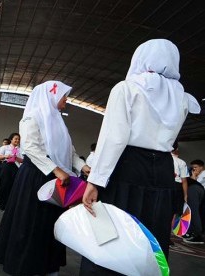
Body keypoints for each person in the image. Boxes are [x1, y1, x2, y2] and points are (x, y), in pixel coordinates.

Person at [81, 39, 201, 273]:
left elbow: (113, 138)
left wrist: (95, 180)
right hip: (164, 170)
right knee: (152, 234)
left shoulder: (127, 88)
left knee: (115, 233)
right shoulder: (183, 98)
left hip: (129, 166)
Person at [0, 80, 89, 275]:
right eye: (64, 95)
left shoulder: (59, 123)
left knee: (49, 227)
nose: (66, 100)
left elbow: (70, 152)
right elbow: (32, 149)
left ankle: (46, 267)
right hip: (35, 179)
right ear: (51, 95)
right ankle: (25, 267)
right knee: (30, 226)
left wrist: (82, 166)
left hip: (56, 180)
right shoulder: (31, 118)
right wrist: (56, 169)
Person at [0, 132, 23, 210]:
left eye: (18, 139)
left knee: (12, 186)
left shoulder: (20, 150)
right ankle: (0, 200)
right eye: (16, 139)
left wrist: (16, 158)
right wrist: (5, 156)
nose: (17, 140)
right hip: (7, 166)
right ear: (11, 139)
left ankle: (8, 203)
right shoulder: (5, 147)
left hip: (16, 168)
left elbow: (23, 161)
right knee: (4, 184)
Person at [183, 159, 205, 244]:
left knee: (193, 211)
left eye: (195, 167)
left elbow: (195, 184)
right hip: (198, 193)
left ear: (201, 167)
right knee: (194, 211)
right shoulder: (198, 175)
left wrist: (193, 177)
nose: (194, 169)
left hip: (198, 193)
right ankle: (193, 232)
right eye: (192, 168)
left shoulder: (203, 175)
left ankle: (197, 234)